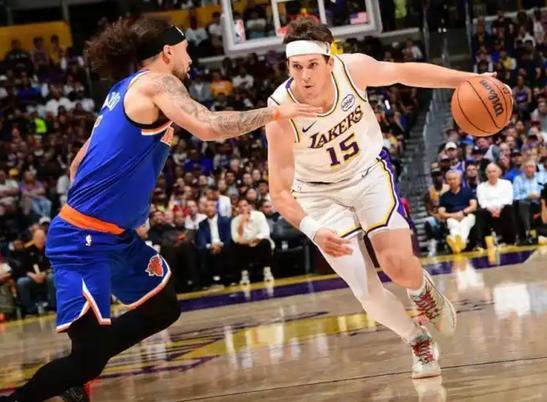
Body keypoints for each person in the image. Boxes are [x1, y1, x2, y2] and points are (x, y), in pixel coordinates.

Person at [2, 16, 317, 402]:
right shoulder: (157, 83)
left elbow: (77, 165)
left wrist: (128, 211)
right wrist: (276, 112)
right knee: (87, 361)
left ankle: (80, 366)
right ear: (168, 51)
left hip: (110, 235)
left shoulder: (122, 89)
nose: (190, 59)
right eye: (186, 51)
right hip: (83, 239)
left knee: (163, 308)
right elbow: (209, 126)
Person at [265, 18, 496, 378]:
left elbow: (406, 72)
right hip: (318, 195)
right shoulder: (280, 109)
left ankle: (421, 289)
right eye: (296, 67)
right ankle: (417, 340)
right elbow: (279, 191)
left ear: (329, 62)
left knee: (396, 264)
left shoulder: (353, 69)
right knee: (365, 290)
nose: (305, 76)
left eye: (312, 65)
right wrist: (312, 229)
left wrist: (468, 79)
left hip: (368, 174)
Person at [231, 198, 274, 285]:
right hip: (246, 246)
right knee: (236, 247)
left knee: (266, 242)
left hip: (259, 243)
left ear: (249, 206)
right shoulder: (235, 221)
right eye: (240, 207)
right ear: (237, 209)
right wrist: (242, 222)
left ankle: (267, 271)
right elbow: (236, 238)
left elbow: (265, 232)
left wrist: (255, 240)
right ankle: (244, 274)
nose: (243, 208)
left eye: (245, 205)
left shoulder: (259, 215)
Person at [476, 163, 517, 246]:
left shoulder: (507, 183)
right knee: (480, 211)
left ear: (498, 172)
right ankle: (481, 243)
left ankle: (511, 240)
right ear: (486, 174)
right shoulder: (481, 187)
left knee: (509, 208)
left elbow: (508, 199)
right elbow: (482, 202)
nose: (492, 174)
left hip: (503, 209)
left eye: (494, 171)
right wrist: (492, 210)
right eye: (489, 172)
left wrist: (499, 209)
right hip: (488, 211)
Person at [438, 170, 478, 254]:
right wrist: (454, 215)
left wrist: (462, 213)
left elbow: (473, 206)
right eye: (449, 179)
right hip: (452, 217)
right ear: (446, 181)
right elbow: (441, 213)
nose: (452, 181)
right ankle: (461, 244)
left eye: (454, 179)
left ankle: (457, 243)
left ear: (459, 180)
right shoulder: (444, 196)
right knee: (453, 224)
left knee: (465, 223)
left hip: (467, 215)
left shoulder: (467, 191)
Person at [197, 200, 233, 286]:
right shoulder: (202, 224)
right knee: (201, 250)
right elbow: (202, 241)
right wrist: (211, 246)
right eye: (207, 206)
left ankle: (229, 278)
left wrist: (219, 245)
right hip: (210, 248)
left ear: (216, 208)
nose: (209, 208)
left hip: (223, 245)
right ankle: (208, 281)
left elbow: (228, 238)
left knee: (229, 248)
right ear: (204, 209)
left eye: (212, 206)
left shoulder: (226, 220)